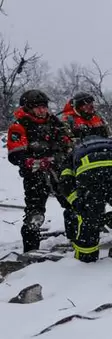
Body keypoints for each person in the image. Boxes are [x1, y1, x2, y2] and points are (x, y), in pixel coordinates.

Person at [5, 89, 77, 252]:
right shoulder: (19, 126)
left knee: (73, 205)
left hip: (60, 172)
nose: (42, 110)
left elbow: (68, 143)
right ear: (28, 108)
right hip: (35, 175)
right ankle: (31, 252)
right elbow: (15, 155)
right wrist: (32, 161)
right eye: (38, 107)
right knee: (35, 215)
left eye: (44, 106)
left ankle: (77, 241)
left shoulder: (55, 123)